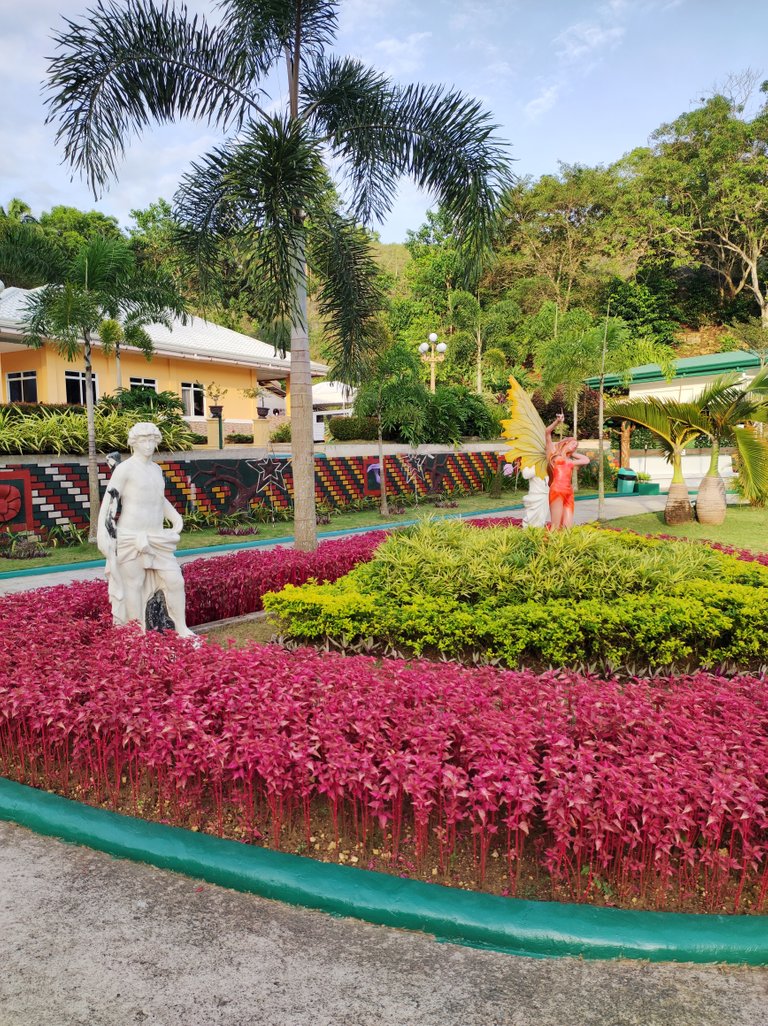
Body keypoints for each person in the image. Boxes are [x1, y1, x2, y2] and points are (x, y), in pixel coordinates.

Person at [97, 422, 195, 637]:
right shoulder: (125, 469)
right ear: (134, 443)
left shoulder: (156, 469)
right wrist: (104, 534)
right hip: (130, 536)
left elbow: (158, 498)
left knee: (175, 580)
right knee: (134, 585)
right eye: (143, 440)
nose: (148, 445)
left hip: (157, 537)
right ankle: (136, 633)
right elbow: (110, 502)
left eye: (152, 440)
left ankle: (181, 628)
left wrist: (175, 517)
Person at [545, 414, 590, 530]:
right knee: (555, 526)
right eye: (573, 444)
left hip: (569, 492)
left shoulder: (570, 461)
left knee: (567, 527)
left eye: (576, 446)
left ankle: (566, 541)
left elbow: (586, 460)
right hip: (557, 490)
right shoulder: (554, 454)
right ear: (566, 442)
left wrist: (572, 452)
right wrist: (557, 422)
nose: (575, 446)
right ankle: (550, 541)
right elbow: (547, 432)